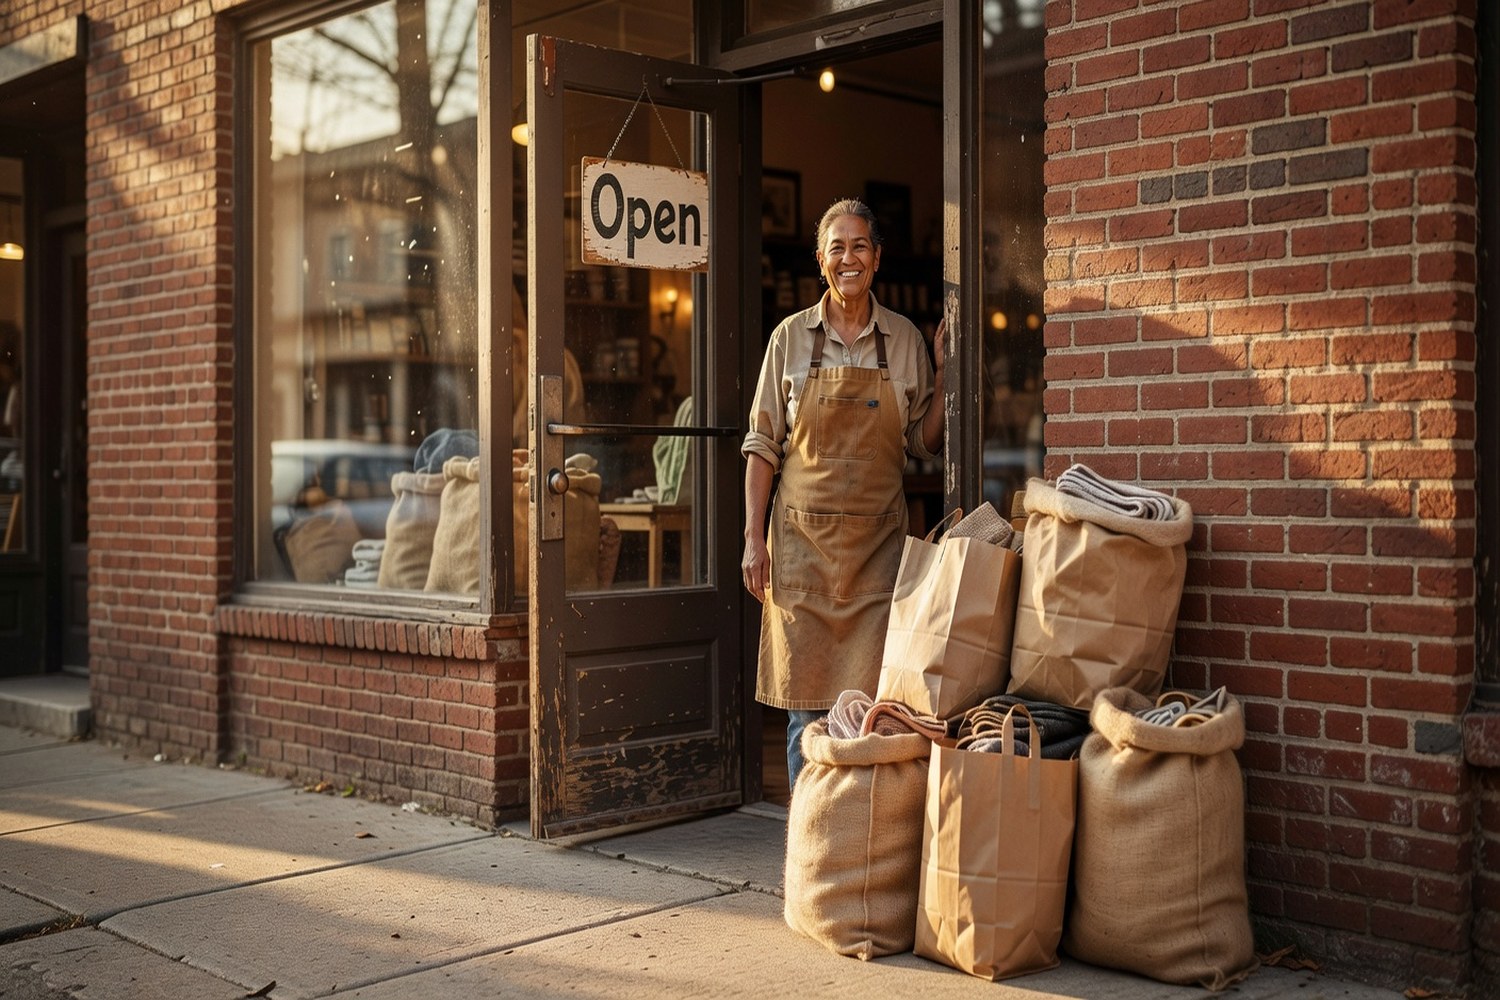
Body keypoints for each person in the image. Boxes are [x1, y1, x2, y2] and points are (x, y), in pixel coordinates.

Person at [741, 198, 946, 791]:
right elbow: (762, 447)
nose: (848, 257)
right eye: (837, 247)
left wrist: (946, 375)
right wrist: (754, 539)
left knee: (868, 713)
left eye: (860, 246)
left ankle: (856, 834)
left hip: (877, 555)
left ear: (877, 259)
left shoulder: (904, 340)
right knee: (806, 715)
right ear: (820, 260)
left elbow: (923, 443)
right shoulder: (788, 340)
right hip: (802, 552)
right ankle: (810, 844)